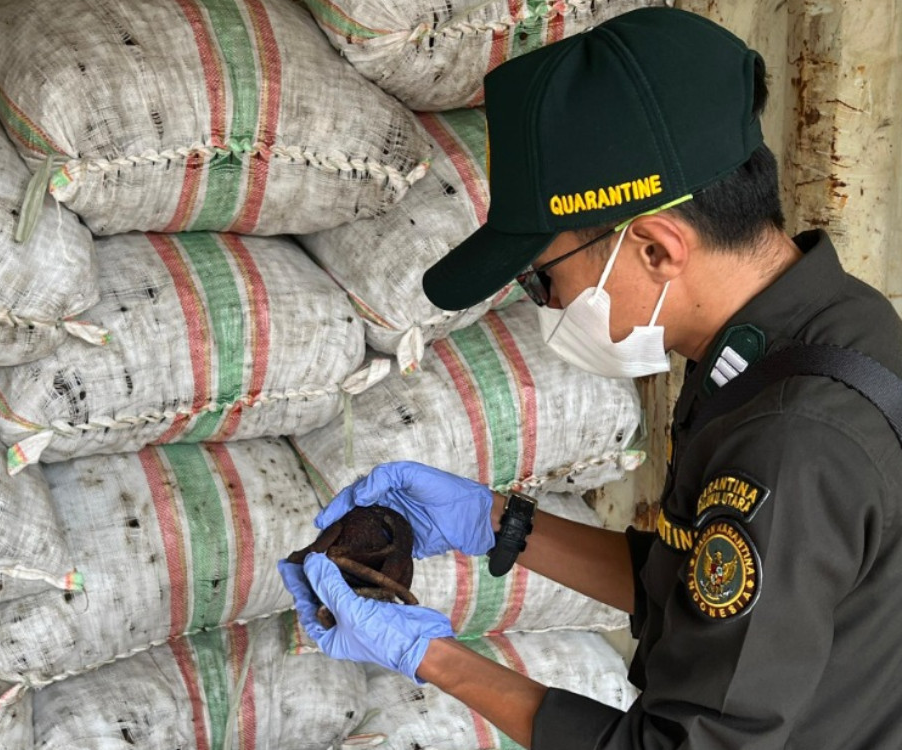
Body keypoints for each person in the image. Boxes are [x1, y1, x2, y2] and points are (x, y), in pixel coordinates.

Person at [278, 6, 902, 749]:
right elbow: (699, 590)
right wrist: (498, 522)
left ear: (656, 249)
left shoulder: (790, 442)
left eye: (544, 277)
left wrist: (432, 656)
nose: (548, 305)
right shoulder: (825, 327)